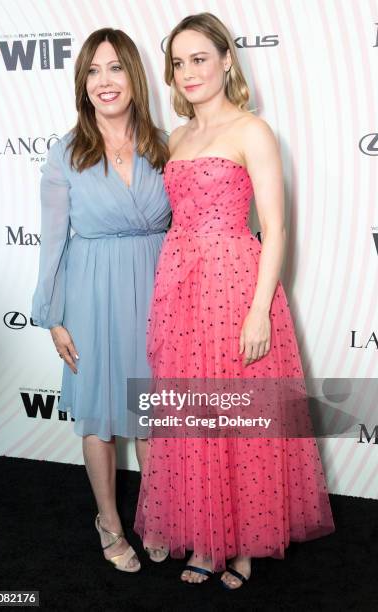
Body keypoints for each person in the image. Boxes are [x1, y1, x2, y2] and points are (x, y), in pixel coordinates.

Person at [134, 13, 335, 588]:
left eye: (200, 58)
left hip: (234, 285)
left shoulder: (253, 131)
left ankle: (245, 543)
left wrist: (257, 310)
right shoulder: (176, 137)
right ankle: (206, 537)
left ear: (226, 61)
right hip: (181, 286)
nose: (188, 71)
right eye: (178, 62)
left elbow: (274, 227)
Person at [31, 27, 171, 573]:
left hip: (156, 286)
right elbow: (52, 241)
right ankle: (109, 521)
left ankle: (157, 515)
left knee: (149, 414)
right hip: (90, 291)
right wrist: (54, 316)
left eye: (115, 68)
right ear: (81, 82)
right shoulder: (65, 153)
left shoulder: (166, 144)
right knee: (97, 417)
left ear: (133, 76)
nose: (104, 81)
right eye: (93, 70)